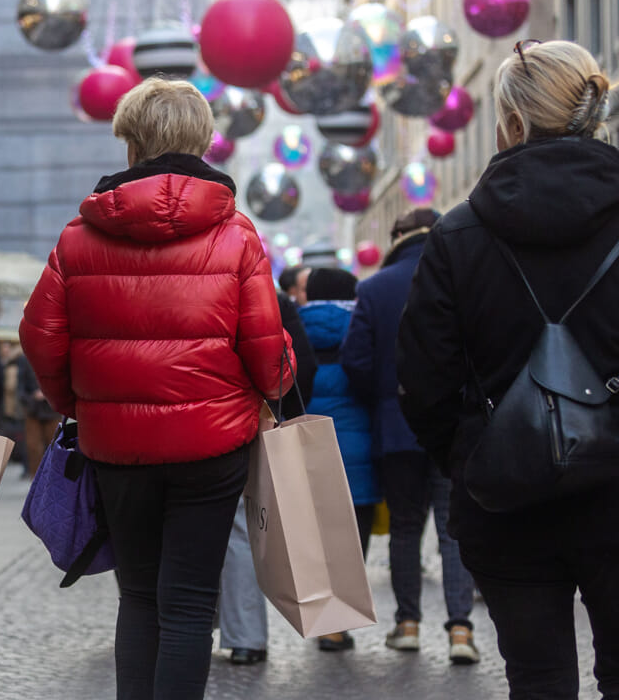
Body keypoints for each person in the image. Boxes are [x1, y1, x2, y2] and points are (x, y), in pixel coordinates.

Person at [20, 76, 293, 700]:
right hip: (213, 447)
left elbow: (40, 338)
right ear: (203, 141)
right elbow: (267, 346)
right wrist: (272, 388)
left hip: (117, 448)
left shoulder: (78, 237)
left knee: (138, 596)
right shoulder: (237, 234)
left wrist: (82, 406)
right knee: (190, 603)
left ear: (131, 144)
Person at [397, 40, 619, 697]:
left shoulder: (458, 235)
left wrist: (467, 456)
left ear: (512, 123)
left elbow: (425, 376)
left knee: (538, 679)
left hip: (507, 496)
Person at [342, 208, 478, 664]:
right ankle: (461, 630)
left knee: (403, 528)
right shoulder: (461, 277)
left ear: (398, 236)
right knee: (452, 530)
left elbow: (356, 360)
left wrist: (383, 398)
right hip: (455, 423)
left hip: (397, 425)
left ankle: (408, 624)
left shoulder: (374, 288)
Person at [218, 289, 316, 666]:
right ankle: (245, 636)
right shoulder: (264, 296)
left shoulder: (156, 283)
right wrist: (279, 414)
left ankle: (182, 626)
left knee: (172, 527)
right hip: (241, 423)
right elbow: (296, 366)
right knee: (240, 529)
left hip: (160, 430)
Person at [296, 267, 378, 651]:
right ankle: (340, 617)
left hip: (308, 441)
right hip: (358, 438)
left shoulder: (295, 326)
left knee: (315, 532)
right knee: (354, 530)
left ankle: (326, 620)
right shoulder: (359, 323)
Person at [17, 351, 58, 478]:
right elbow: (21, 388)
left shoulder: (56, 355)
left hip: (52, 409)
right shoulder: (25, 359)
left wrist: (47, 393)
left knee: (55, 447)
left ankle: (54, 479)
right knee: (34, 448)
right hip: (33, 410)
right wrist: (32, 397)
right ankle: (36, 481)